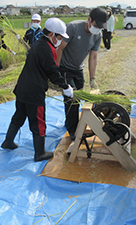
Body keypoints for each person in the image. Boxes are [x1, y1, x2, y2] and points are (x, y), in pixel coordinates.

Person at [1, 18, 74, 162]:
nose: (60, 40)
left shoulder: (38, 43)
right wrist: (65, 86)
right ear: (52, 34)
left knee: (19, 116)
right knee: (38, 121)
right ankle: (39, 153)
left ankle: (8, 142)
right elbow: (53, 73)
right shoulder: (48, 49)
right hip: (34, 91)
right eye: (59, 37)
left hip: (22, 87)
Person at [56, 7, 107, 141]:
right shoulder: (73, 27)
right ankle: (72, 129)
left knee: (78, 99)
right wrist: (56, 70)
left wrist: (92, 78)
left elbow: (93, 57)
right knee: (71, 99)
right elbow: (60, 49)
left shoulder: (98, 34)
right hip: (65, 68)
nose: (97, 29)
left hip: (78, 70)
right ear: (89, 19)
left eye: (100, 27)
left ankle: (74, 123)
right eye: (96, 25)